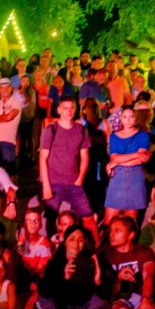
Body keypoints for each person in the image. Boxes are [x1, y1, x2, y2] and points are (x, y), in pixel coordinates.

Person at [37, 223, 107, 309]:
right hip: (62, 308)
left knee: (101, 298)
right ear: (65, 242)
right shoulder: (55, 263)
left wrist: (98, 281)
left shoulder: (90, 261)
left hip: (81, 308)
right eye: (72, 239)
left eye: (80, 240)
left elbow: (101, 293)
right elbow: (43, 290)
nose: (76, 243)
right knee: (44, 298)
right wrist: (64, 277)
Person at [39, 96, 98, 243]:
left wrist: (80, 178)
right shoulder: (51, 130)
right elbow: (43, 158)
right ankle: (51, 251)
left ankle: (96, 250)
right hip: (54, 182)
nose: (69, 111)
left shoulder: (81, 130)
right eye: (65, 108)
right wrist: (46, 185)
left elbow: (85, 156)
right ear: (59, 110)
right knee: (51, 219)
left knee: (88, 217)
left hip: (74, 183)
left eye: (71, 108)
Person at [104, 106, 151, 225]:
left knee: (130, 221)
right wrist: (135, 155)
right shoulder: (114, 136)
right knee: (109, 220)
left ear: (135, 118)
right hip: (117, 178)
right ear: (121, 119)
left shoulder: (143, 136)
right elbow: (114, 157)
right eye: (125, 117)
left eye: (131, 117)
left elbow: (140, 160)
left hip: (135, 177)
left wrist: (115, 163)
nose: (128, 120)